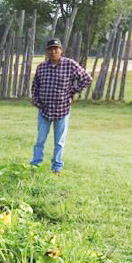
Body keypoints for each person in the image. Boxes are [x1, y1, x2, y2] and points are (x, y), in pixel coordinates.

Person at [30, 38, 91, 174]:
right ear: (47, 51)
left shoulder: (70, 65)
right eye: (51, 49)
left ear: (61, 51)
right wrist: (35, 100)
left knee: (59, 142)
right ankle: (35, 165)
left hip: (62, 110)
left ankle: (57, 168)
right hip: (44, 110)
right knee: (40, 140)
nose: (53, 51)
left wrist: (73, 90)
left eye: (56, 48)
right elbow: (35, 85)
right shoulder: (41, 67)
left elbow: (87, 78)